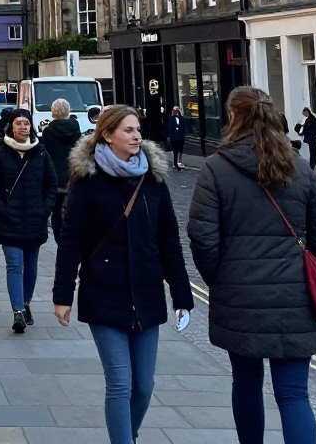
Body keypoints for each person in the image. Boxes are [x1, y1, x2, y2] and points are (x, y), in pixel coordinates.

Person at [188, 86, 316, 444]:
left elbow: (202, 238)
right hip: (295, 297)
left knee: (246, 384)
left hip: (239, 296)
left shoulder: (215, 169)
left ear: (234, 118)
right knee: (294, 394)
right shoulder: (299, 168)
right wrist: (298, 267)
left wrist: (222, 279)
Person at [53, 104, 193, 444]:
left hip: (146, 292)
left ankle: (126, 435)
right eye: (128, 130)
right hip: (104, 291)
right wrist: (62, 296)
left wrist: (182, 296)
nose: (137, 135)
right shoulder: (87, 181)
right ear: (107, 135)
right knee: (120, 382)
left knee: (144, 386)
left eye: (137, 129)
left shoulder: (153, 180)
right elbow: (70, 241)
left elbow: (169, 241)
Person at [0, 108, 57, 333]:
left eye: (26, 123)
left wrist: (45, 210)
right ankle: (17, 311)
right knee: (14, 266)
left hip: (35, 218)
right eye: (19, 123)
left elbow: (51, 185)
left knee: (31, 267)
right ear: (11, 127)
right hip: (10, 220)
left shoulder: (41, 153)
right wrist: (2, 211)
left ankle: (26, 303)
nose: (23, 127)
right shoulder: (0, 152)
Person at [41, 98, 82, 241]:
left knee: (57, 212)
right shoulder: (76, 129)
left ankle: (60, 240)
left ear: (53, 112)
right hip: (74, 175)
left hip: (55, 177)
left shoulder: (47, 132)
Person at [167, 105, 186, 171]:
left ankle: (179, 162)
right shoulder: (171, 118)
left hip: (180, 137)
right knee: (175, 151)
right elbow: (170, 128)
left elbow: (183, 127)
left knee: (180, 150)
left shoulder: (181, 118)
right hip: (174, 137)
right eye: (175, 110)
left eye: (178, 109)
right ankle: (175, 163)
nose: (176, 111)